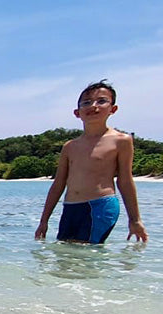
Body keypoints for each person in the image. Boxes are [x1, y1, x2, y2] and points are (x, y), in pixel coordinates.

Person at [36, 80, 148, 245]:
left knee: (85, 255)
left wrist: (135, 220)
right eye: (86, 102)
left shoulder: (121, 140)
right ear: (77, 112)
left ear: (113, 109)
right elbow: (58, 184)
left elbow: (125, 181)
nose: (93, 106)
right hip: (70, 208)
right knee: (66, 259)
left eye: (101, 101)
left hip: (100, 206)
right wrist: (44, 220)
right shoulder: (70, 146)